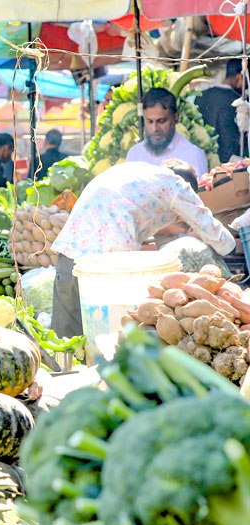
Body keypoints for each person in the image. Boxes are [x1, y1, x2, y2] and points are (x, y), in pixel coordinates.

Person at [51, 160, 234, 338]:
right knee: (113, 329)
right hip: (110, 258)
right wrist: (230, 247)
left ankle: (63, 365)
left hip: (71, 247)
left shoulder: (137, 173)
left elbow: (140, 213)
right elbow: (207, 224)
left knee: (66, 328)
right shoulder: (175, 184)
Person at [126, 88, 209, 177]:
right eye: (150, 121)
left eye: (161, 121)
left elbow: (199, 190)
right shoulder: (135, 154)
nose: (155, 129)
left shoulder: (192, 154)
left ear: (176, 117)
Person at [196, 58, 243, 164]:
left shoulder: (200, 96)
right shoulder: (240, 103)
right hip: (229, 168)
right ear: (240, 77)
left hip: (201, 161)